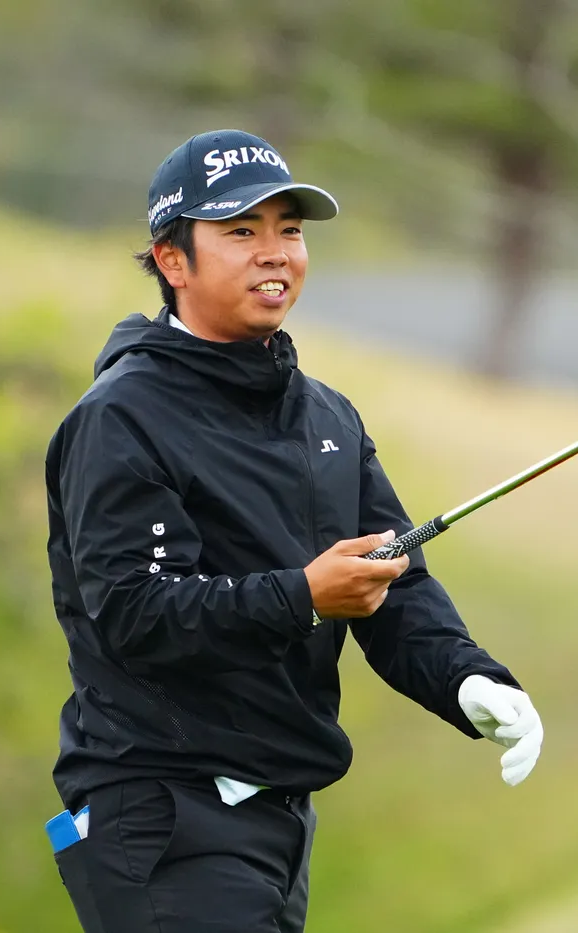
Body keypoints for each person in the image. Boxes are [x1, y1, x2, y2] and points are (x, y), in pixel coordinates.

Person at [43, 128, 544, 932]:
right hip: (159, 813)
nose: (275, 252)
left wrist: (467, 678)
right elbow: (137, 612)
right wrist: (304, 596)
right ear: (173, 260)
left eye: (290, 230)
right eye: (242, 231)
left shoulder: (326, 418)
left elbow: (393, 577)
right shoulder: (122, 417)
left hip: (277, 821)